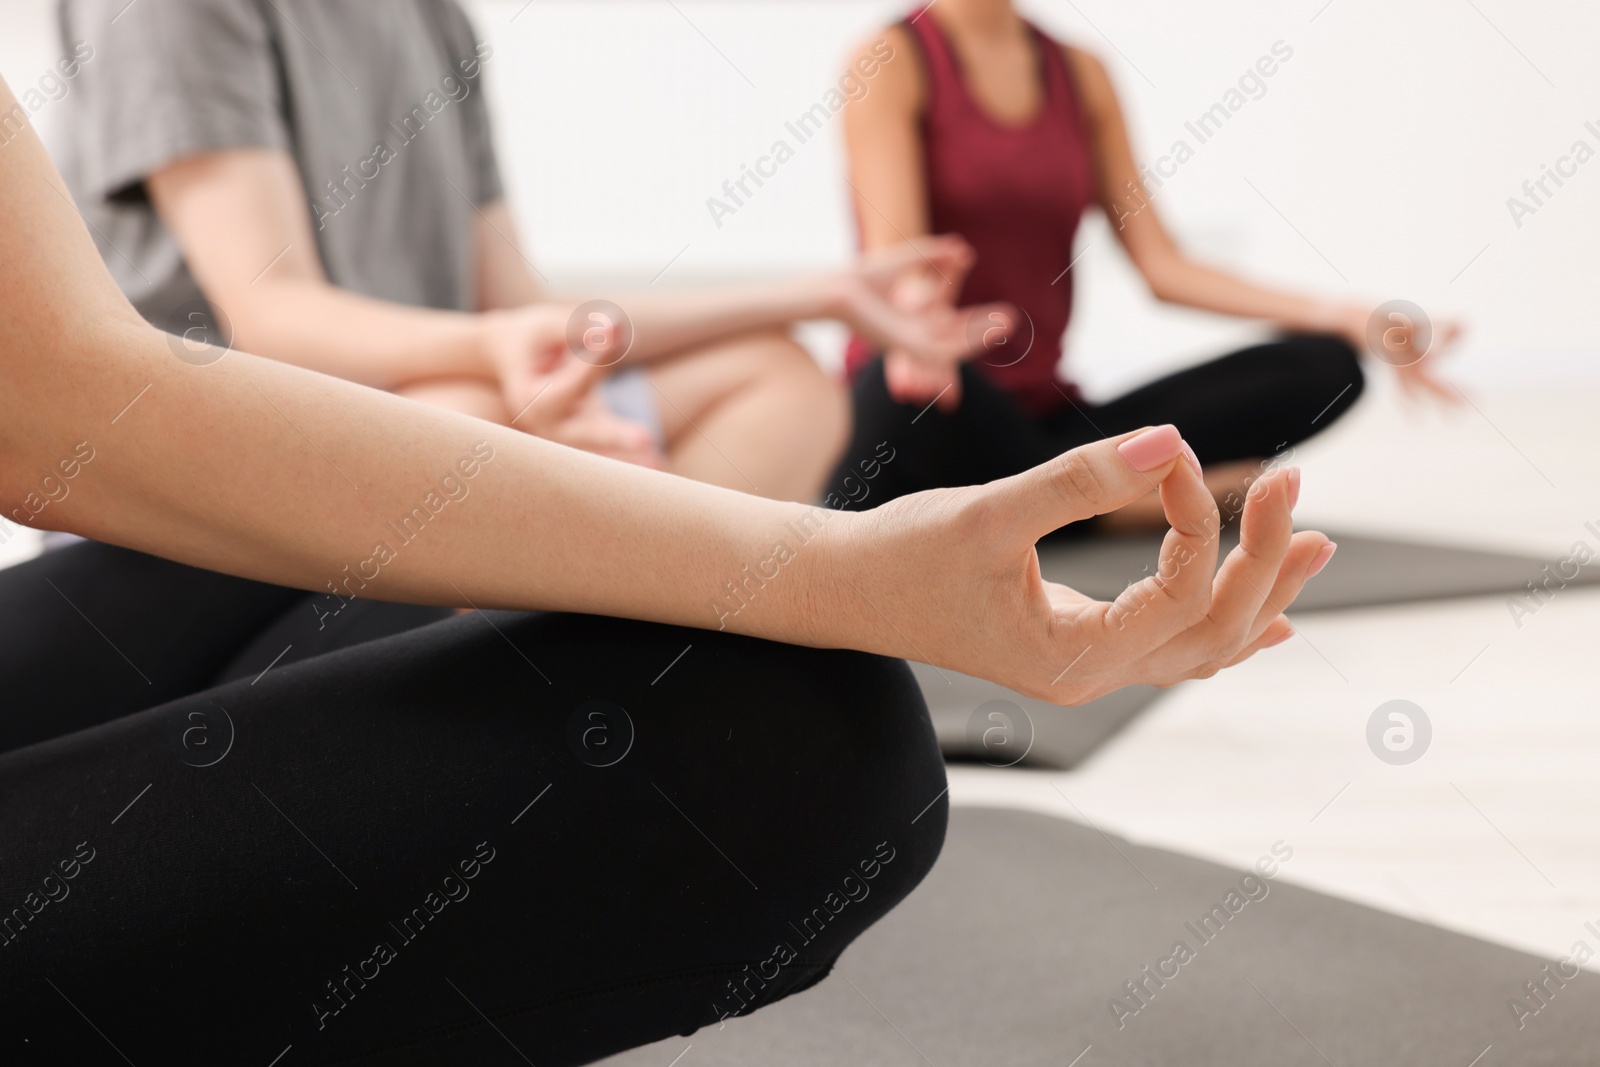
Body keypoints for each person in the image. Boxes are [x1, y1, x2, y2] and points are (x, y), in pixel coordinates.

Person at [0, 68, 1332, 1062]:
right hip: (248, 406)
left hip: (251, 445)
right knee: (795, 726)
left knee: (337, 562)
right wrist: (834, 568)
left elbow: (495, 300)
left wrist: (794, 319)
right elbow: (91, 401)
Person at [53, 0, 1002, 505]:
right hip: (223, 452)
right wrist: (508, 380)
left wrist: (817, 293)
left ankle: (615, 659)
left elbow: (516, 305)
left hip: (427, 410)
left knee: (781, 379)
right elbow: (274, 319)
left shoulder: (433, 17)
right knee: (470, 414)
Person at [832, 0, 1462, 521]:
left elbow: (1164, 267)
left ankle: (1061, 504)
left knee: (1326, 366)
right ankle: (1104, 508)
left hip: (1052, 423)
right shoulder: (892, 60)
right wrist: (921, 315)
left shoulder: (1080, 73)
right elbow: (901, 263)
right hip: (939, 395)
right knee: (909, 400)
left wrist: (1354, 316)